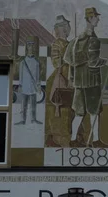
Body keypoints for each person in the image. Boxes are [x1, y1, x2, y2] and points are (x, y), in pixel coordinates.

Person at [64, 7, 108, 148]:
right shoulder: (93, 39)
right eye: (96, 17)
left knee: (79, 113)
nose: (98, 19)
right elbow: (93, 62)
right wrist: (106, 62)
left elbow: (70, 61)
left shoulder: (76, 40)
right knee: (94, 113)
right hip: (91, 81)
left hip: (79, 82)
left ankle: (72, 140)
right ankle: (95, 141)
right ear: (90, 18)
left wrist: (72, 78)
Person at [45, 15, 73, 147]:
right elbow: (56, 62)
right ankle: (57, 139)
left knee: (69, 111)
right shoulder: (57, 43)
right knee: (59, 110)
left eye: (65, 26)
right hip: (60, 77)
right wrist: (67, 59)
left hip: (71, 78)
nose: (64, 29)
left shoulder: (70, 43)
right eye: (61, 26)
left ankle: (69, 138)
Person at [15, 39, 42, 125]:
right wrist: (20, 85)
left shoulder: (36, 62)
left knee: (33, 105)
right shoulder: (23, 62)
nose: (30, 48)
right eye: (29, 46)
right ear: (27, 48)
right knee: (24, 105)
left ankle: (33, 119)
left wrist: (38, 85)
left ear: (33, 48)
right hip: (25, 86)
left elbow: (37, 76)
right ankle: (23, 120)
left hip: (33, 87)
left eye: (32, 47)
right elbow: (21, 75)